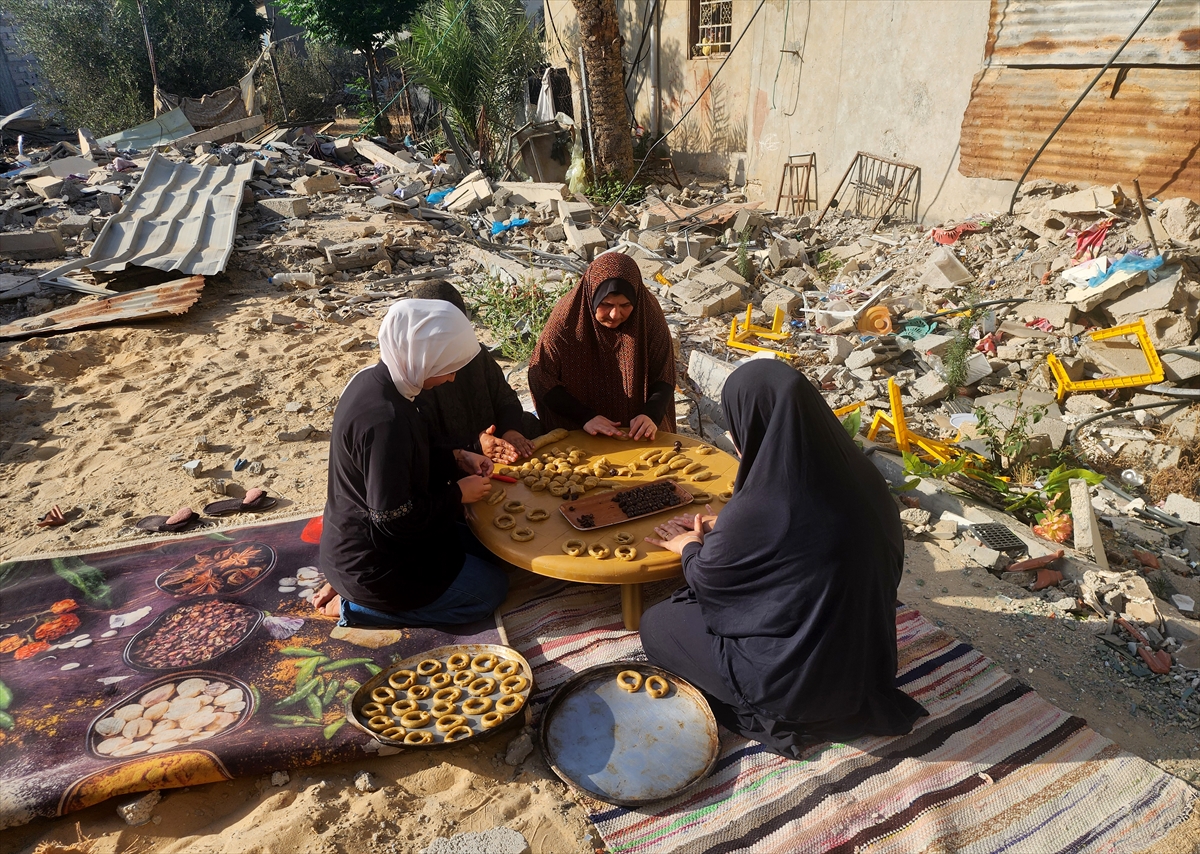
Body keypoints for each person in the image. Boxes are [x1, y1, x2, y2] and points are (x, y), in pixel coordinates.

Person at [642, 359, 927, 758]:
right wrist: (729, 528)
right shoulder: (860, 474)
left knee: (659, 623)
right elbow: (806, 539)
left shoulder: (762, 505)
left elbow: (711, 580)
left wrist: (689, 546)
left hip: (797, 685)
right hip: (865, 665)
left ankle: (770, 715)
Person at [313, 299, 508, 628]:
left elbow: (407, 457)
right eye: (447, 367)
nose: (451, 378)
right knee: (489, 590)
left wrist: (458, 458)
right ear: (423, 358)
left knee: (493, 548)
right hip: (376, 562)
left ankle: (351, 588)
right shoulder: (386, 421)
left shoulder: (377, 382)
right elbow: (394, 518)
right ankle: (355, 607)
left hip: (363, 542)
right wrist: (457, 494)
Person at [527, 253, 675, 441]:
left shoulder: (648, 314)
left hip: (635, 430)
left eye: (625, 305)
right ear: (591, 296)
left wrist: (651, 414)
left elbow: (664, 373)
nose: (615, 314)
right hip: (579, 426)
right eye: (606, 304)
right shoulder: (567, 318)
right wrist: (585, 417)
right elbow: (540, 376)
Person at [412, 280, 538, 464]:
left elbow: (505, 399)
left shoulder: (474, 354)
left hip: (497, 442)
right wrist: (475, 446)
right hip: (452, 459)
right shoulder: (413, 375)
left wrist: (511, 431)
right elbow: (424, 442)